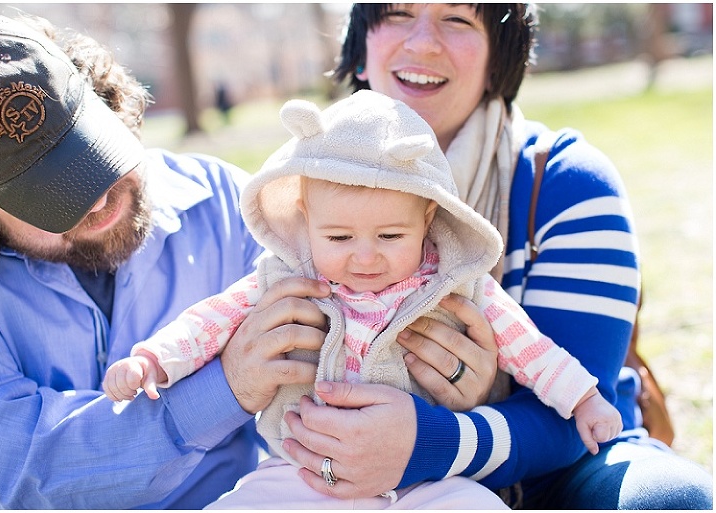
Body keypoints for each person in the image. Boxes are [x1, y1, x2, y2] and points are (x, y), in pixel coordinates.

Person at [262, 3, 711, 509]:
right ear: (361, 49)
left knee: (669, 499)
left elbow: (585, 410)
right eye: (397, 14)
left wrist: (432, 438)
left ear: (500, 56)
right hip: (367, 482)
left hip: (568, 472)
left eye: (458, 19)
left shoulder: (566, 182)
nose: (423, 42)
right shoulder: (301, 194)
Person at [102, 90, 621, 508]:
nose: (365, 258)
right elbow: (210, 321)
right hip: (302, 471)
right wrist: (155, 360)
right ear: (306, 219)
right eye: (339, 238)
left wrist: (582, 397)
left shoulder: (457, 284)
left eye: (391, 237)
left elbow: (529, 349)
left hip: (428, 476)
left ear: (427, 219)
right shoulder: (285, 278)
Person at [0, 12, 319, 509]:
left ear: (108, 104)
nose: (97, 202)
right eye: (49, 195)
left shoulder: (230, 207)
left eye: (89, 155)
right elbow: (11, 472)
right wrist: (224, 389)